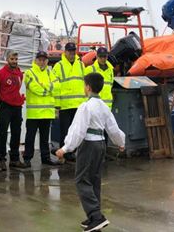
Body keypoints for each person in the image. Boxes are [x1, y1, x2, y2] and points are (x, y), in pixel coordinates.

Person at [56, 73, 125, 232]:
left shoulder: (85, 107)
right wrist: (121, 142)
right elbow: (113, 128)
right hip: (101, 144)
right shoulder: (103, 106)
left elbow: (78, 131)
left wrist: (65, 148)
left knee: (81, 180)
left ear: (87, 87)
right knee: (94, 180)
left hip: (89, 145)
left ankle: (96, 216)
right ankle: (94, 216)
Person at [23, 51, 60, 167]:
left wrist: (44, 88)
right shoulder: (29, 72)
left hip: (47, 112)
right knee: (30, 137)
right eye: (40, 59)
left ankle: (46, 158)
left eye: (44, 59)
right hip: (34, 113)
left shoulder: (50, 72)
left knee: (45, 138)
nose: (42, 62)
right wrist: (48, 90)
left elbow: (57, 87)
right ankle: (27, 159)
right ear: (35, 60)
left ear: (47, 61)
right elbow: (34, 88)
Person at [53, 42, 87, 161]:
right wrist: (57, 105)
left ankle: (73, 152)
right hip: (65, 105)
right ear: (65, 51)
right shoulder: (58, 66)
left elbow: (85, 84)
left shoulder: (81, 65)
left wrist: (85, 103)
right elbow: (56, 87)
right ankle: (64, 153)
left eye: (73, 51)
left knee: (77, 131)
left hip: (78, 104)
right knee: (65, 131)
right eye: (70, 51)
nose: (72, 53)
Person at [0, 50, 27, 170]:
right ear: (7, 59)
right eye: (12, 59)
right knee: (2, 133)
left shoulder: (19, 73)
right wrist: (0, 103)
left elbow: (17, 88)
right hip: (5, 107)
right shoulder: (0, 74)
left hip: (17, 107)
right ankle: (1, 159)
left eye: (16, 59)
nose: (14, 61)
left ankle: (14, 159)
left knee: (16, 133)